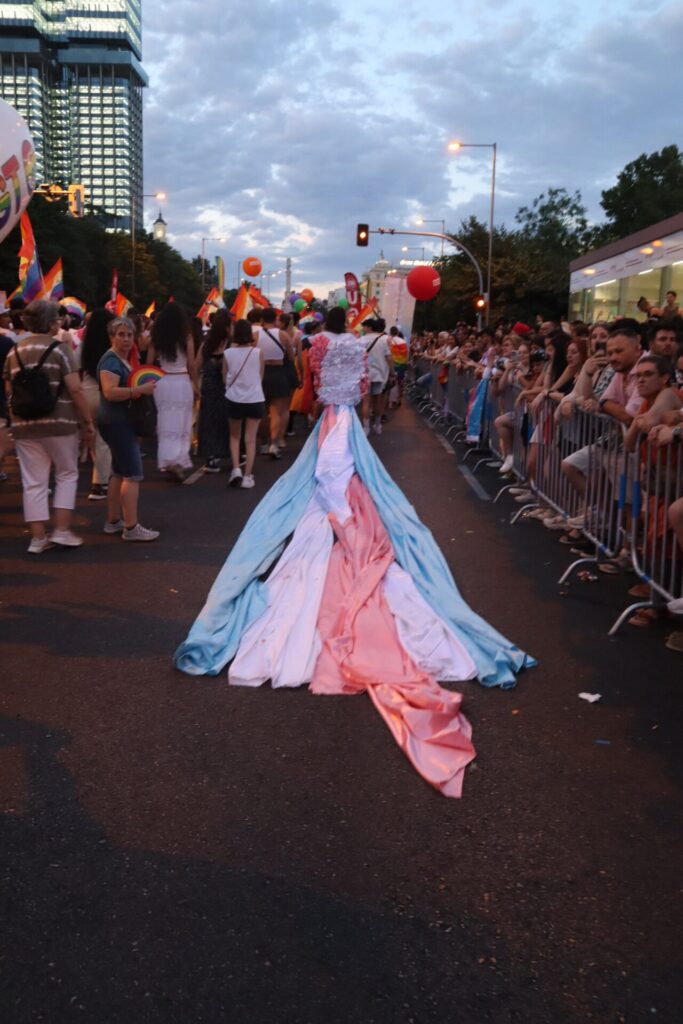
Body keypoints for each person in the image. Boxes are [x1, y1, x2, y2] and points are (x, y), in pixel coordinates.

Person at [175, 304, 534, 800]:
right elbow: (362, 389)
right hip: (345, 419)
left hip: (332, 419)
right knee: (348, 491)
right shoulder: (351, 348)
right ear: (355, 322)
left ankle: (334, 523)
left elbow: (314, 383)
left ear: (326, 323)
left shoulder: (321, 345)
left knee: (326, 492)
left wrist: (329, 408)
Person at [2, 299, 95, 552]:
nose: (60, 322)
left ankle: (37, 538)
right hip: (59, 423)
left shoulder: (15, 351)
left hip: (24, 425)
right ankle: (62, 530)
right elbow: (75, 389)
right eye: (57, 318)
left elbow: (9, 389)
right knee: (66, 474)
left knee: (33, 480)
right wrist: (87, 421)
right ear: (51, 322)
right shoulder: (60, 349)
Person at [97, 317, 160, 542]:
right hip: (116, 422)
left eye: (129, 335)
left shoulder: (121, 359)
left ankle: (114, 521)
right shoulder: (111, 361)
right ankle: (131, 527)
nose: (125, 339)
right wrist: (139, 390)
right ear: (111, 336)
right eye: (121, 334)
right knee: (133, 474)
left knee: (119, 472)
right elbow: (109, 392)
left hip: (118, 421)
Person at [150, 302, 198, 480]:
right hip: (181, 380)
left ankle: (166, 459)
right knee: (182, 422)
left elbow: (149, 363)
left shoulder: (157, 337)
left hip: (162, 381)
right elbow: (192, 365)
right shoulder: (186, 336)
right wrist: (196, 386)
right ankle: (178, 460)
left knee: (164, 421)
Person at [223, 318, 265, 489]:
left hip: (234, 398)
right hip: (255, 398)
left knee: (234, 437)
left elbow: (225, 377)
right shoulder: (258, 352)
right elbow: (260, 376)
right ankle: (248, 476)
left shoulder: (227, 353)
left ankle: (236, 469)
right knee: (250, 439)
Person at [77, 307, 114, 500]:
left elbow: (77, 370)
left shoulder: (83, 345)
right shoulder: (111, 346)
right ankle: (101, 483)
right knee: (104, 441)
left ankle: (99, 480)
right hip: (106, 392)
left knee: (94, 438)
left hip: (87, 390)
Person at [255, 306, 295, 457]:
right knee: (276, 411)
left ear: (261, 320)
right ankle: (274, 444)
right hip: (279, 373)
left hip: (262, 373)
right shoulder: (283, 335)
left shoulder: (255, 335)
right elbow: (291, 357)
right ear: (276, 319)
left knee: (262, 411)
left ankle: (263, 443)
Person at [197, 308, 231, 472]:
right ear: (226, 327)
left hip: (209, 385)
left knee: (208, 420)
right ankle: (225, 451)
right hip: (226, 387)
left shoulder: (206, 344)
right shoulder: (231, 344)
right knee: (224, 419)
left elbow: (197, 366)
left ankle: (209, 455)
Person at [361, 317, 393, 435]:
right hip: (379, 374)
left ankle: (366, 427)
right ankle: (378, 425)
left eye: (364, 326)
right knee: (377, 401)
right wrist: (392, 372)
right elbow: (389, 358)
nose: (363, 328)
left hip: (365, 374)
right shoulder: (382, 340)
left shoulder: (362, 340)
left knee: (366, 401)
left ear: (369, 327)